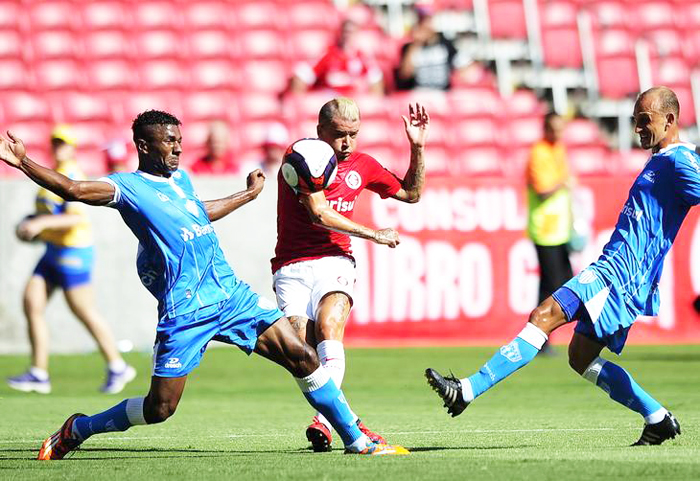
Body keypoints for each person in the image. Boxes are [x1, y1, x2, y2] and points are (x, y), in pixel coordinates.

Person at [0, 110, 408, 459]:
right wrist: (25, 163)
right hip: (186, 310)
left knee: (302, 356)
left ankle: (356, 439)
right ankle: (80, 428)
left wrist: (246, 196)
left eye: (179, 140)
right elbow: (72, 189)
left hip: (231, 295)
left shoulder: (181, 180)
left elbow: (197, 214)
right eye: (169, 142)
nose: (178, 148)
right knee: (160, 408)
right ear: (144, 146)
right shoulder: (127, 188)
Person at [425, 87, 694, 446]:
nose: (638, 130)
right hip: (618, 270)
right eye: (635, 122)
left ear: (670, 120)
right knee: (579, 357)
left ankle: (467, 390)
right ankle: (657, 418)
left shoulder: (680, 161)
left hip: (619, 273)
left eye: (645, 121)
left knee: (543, 315)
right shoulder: (661, 159)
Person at [272, 98, 429, 451]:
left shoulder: (363, 164)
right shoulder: (301, 158)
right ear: (319, 131)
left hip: (335, 259)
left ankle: (326, 422)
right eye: (339, 135)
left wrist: (416, 148)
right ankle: (352, 421)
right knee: (301, 352)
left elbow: (412, 193)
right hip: (292, 264)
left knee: (330, 326)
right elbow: (319, 214)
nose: (347, 143)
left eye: (353, 135)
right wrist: (375, 234)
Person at [6, 125, 136, 395]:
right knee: (32, 303)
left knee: (83, 311)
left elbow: (76, 217)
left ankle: (118, 366)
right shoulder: (51, 172)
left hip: (73, 251)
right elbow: (48, 211)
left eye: (63, 143)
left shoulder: (73, 174)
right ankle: (39, 373)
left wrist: (41, 223)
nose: (58, 147)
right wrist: (32, 223)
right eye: (55, 142)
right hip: (53, 250)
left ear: (73, 147)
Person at [526, 112, 574, 354]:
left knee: (558, 281)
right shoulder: (539, 152)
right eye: (554, 129)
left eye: (560, 129)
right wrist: (561, 183)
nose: (558, 134)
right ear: (545, 128)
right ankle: (537, 334)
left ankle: (539, 334)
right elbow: (542, 189)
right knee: (552, 284)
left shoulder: (557, 149)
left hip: (559, 230)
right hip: (545, 229)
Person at [289, 18, 384, 96]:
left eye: (351, 32)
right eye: (345, 32)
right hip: (330, 102)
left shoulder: (362, 57)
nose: (348, 36)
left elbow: (376, 79)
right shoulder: (327, 54)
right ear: (340, 33)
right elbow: (301, 76)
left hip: (353, 104)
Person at [395, 4, 471, 91]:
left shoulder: (446, 43)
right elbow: (405, 75)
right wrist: (417, 43)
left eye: (428, 20)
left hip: (443, 93)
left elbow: (465, 68)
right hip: (419, 93)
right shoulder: (410, 47)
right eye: (422, 21)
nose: (425, 25)